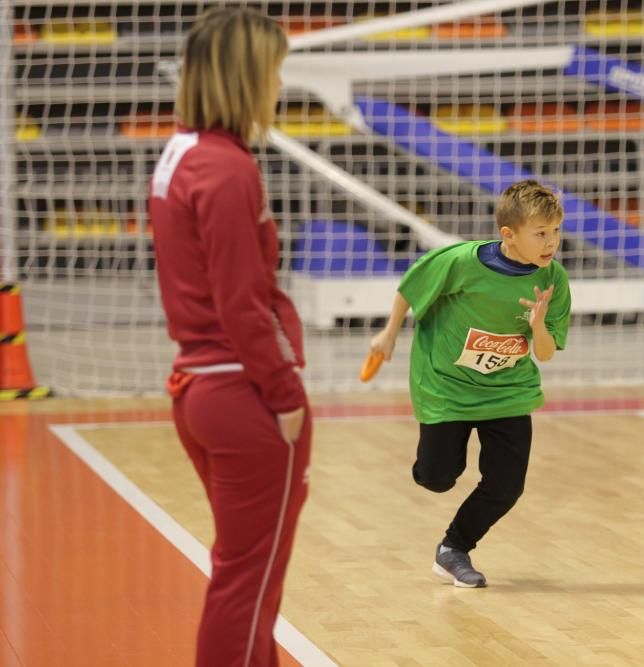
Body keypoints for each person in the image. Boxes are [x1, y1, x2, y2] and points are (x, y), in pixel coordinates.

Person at [148, 8, 311, 665]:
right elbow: (242, 301)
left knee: (245, 580)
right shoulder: (225, 167)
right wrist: (285, 390)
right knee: (248, 585)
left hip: (200, 387)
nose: (278, 85)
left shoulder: (180, 153)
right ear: (245, 75)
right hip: (242, 392)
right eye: (274, 71)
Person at [369, 180, 571, 587]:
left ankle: (453, 549)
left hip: (508, 391)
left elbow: (546, 353)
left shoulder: (554, 280)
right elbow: (411, 286)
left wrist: (537, 327)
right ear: (508, 235)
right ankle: (431, 465)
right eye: (541, 233)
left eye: (555, 232)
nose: (551, 243)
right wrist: (389, 332)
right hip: (446, 386)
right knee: (438, 477)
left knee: (506, 486)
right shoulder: (460, 261)